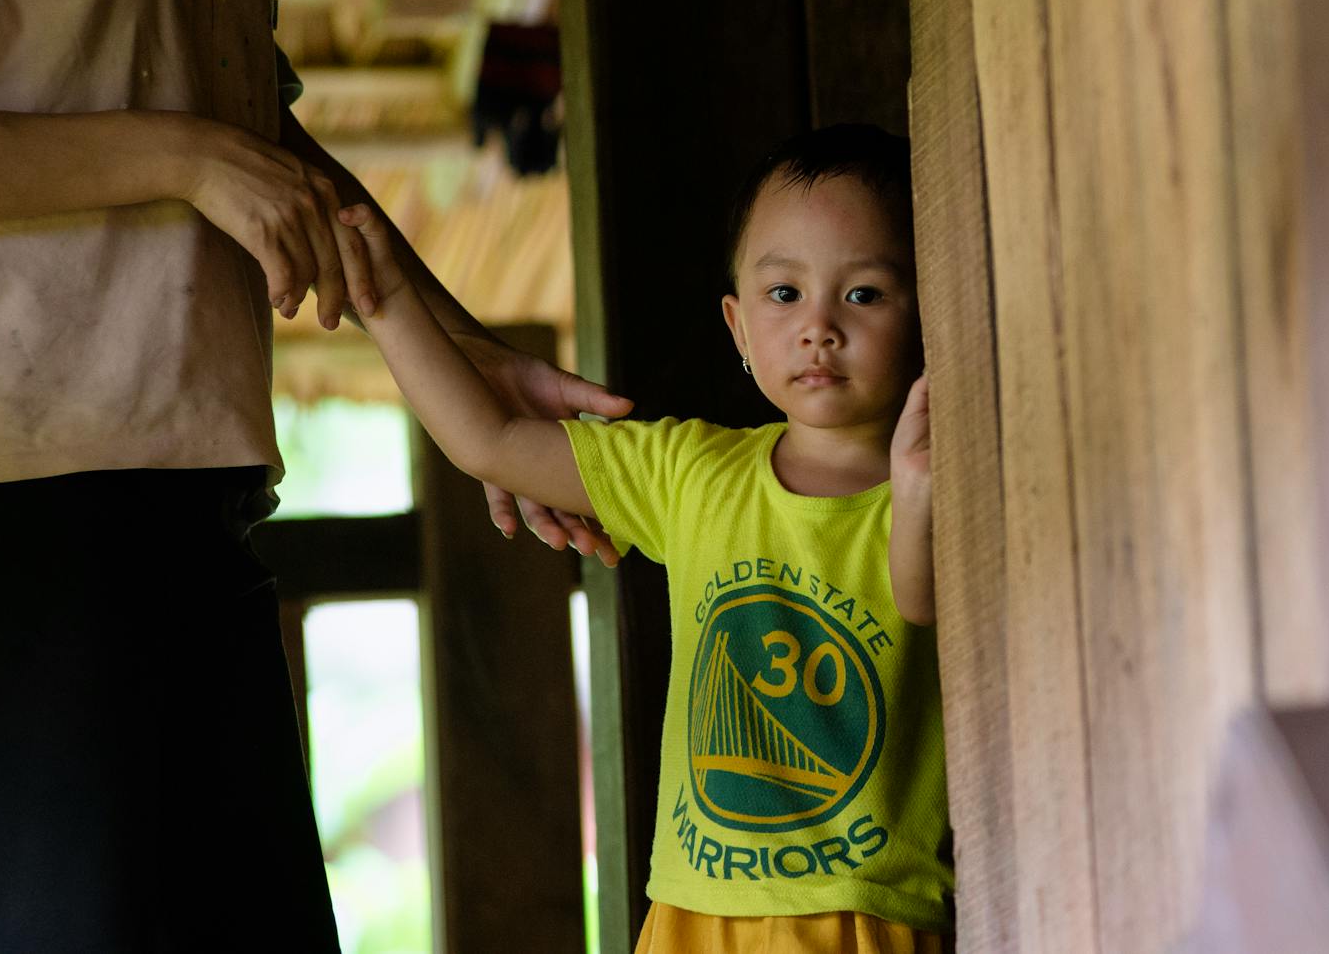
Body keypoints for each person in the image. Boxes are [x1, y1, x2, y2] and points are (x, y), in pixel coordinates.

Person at [0, 0, 627, 948]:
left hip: (181, 512)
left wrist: (462, 349)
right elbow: (213, 153)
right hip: (4, 529)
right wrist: (183, 156)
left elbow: (258, 139)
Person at [340, 124, 954, 951]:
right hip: (690, 913)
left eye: (865, 294)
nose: (819, 327)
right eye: (784, 294)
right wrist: (387, 303)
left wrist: (918, 488)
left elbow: (924, 595)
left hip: (861, 913)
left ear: (928, 314)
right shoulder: (690, 472)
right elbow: (491, 442)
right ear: (737, 326)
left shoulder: (931, 479)